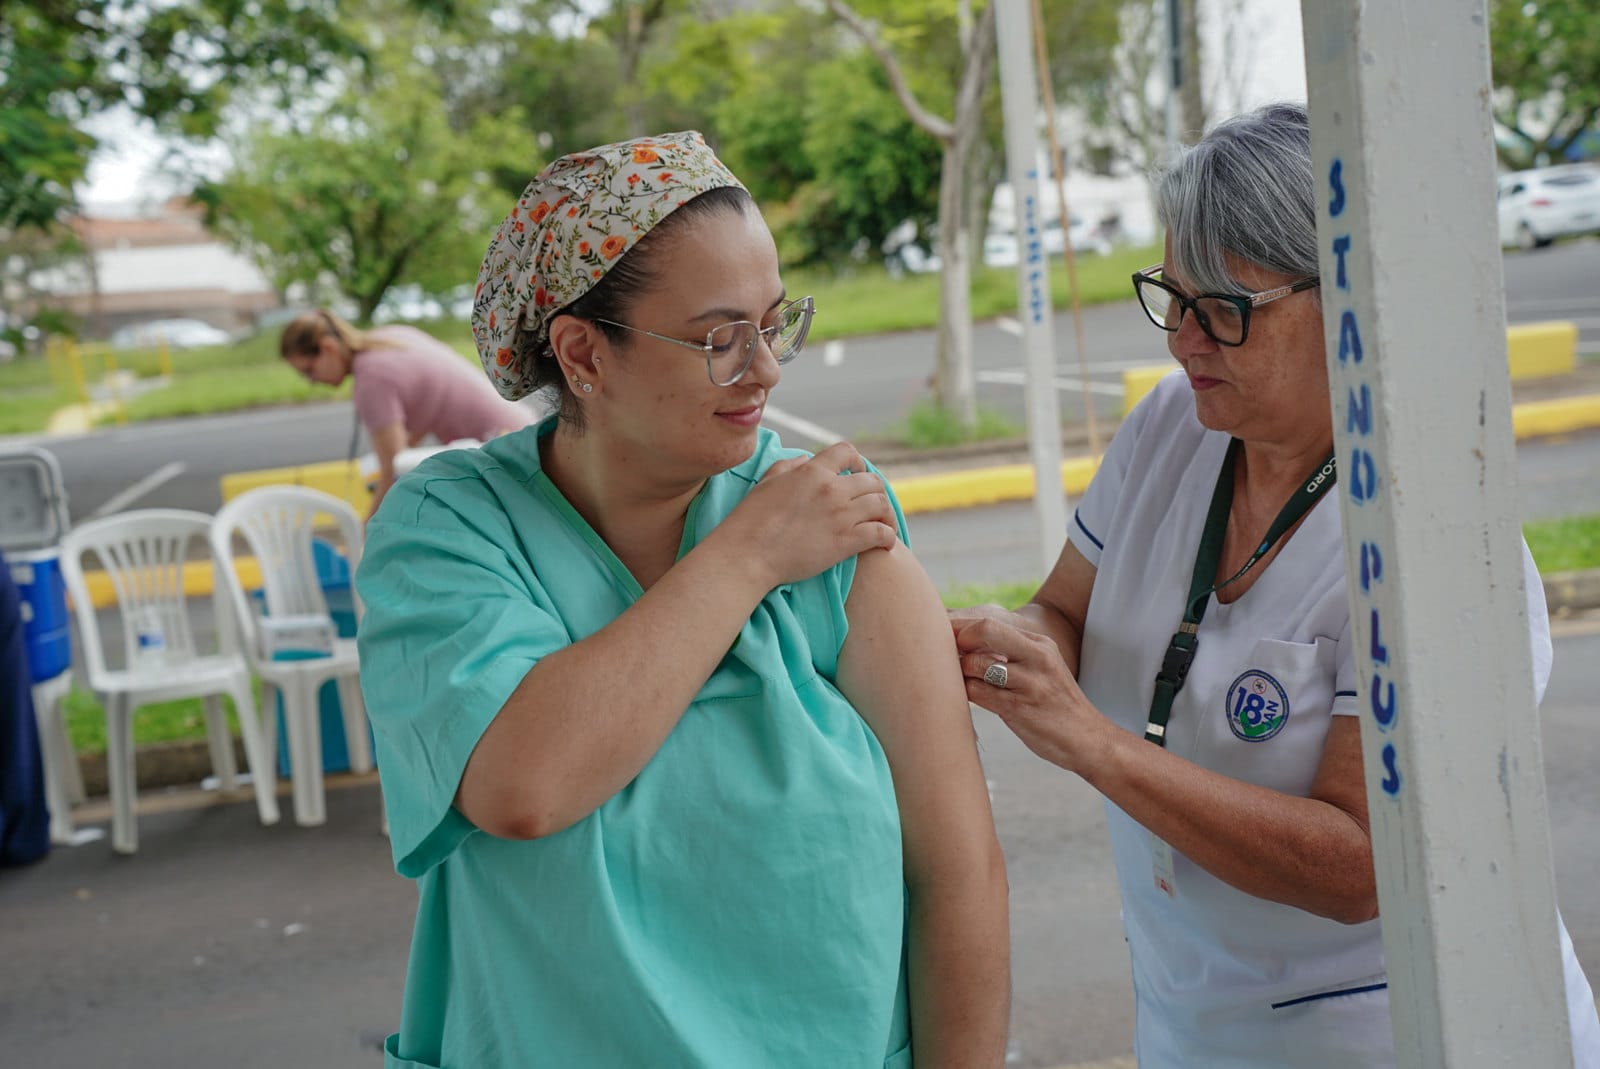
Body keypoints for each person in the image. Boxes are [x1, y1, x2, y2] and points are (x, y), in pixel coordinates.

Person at [950, 103, 1600, 1067]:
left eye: (1223, 311)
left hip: (1394, 1037)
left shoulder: (1430, 533)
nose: (1183, 342)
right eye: (1170, 298)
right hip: (1191, 1023)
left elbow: (1360, 865)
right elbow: (1067, 611)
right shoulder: (1176, 426)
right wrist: (1011, 645)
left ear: (1350, 297)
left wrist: (1093, 743)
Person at [355, 131, 1009, 1068]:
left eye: (775, 323)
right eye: (719, 339)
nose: (767, 369)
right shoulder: (450, 525)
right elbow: (524, 785)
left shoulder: (836, 525)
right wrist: (745, 557)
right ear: (583, 353)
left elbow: (957, 875)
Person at [279, 309, 536, 518]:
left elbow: (395, 470)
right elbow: (430, 401)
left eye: (309, 370)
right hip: (522, 430)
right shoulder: (389, 338)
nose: (311, 381)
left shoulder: (371, 382)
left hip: (502, 457)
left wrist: (367, 529)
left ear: (327, 348)